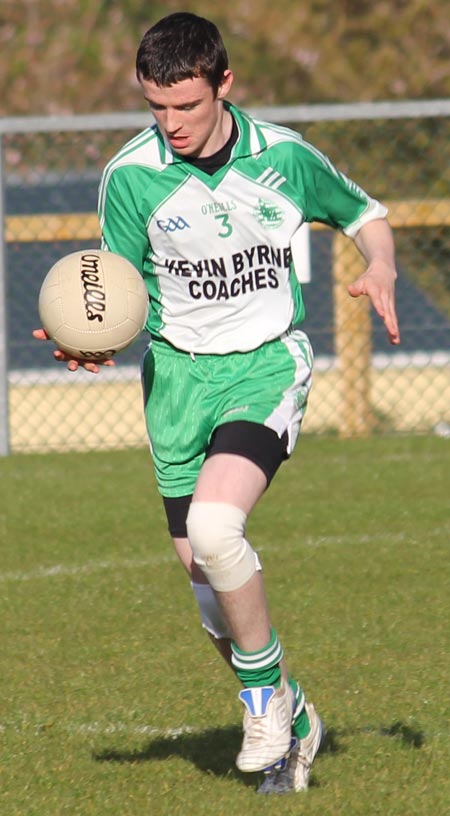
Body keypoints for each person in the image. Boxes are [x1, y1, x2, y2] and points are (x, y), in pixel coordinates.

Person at [34, 11, 400, 795]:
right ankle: (295, 716)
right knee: (211, 592)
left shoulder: (284, 157)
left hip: (265, 366)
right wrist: (88, 341)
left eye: (187, 108)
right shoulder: (132, 176)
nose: (172, 127)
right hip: (176, 382)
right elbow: (117, 295)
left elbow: (366, 215)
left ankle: (261, 700)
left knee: (215, 526)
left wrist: (382, 268)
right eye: (156, 109)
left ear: (224, 85)